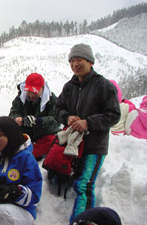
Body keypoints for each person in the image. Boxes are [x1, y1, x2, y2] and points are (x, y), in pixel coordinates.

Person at [55, 43, 120, 222]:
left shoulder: (104, 86)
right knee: (67, 179)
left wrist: (88, 123)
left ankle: (82, 221)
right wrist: (67, 117)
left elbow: (113, 115)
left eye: (79, 60)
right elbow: (57, 109)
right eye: (72, 61)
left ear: (90, 62)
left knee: (84, 186)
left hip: (94, 145)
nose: (75, 64)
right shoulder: (69, 86)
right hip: (73, 145)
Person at [9, 73, 60, 160]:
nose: (31, 95)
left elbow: (56, 121)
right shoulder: (21, 98)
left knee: (52, 140)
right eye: (29, 91)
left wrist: (38, 121)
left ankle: (26, 156)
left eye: (35, 92)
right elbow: (14, 112)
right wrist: (16, 118)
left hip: (42, 134)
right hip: (25, 133)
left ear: (42, 89)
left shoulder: (51, 100)